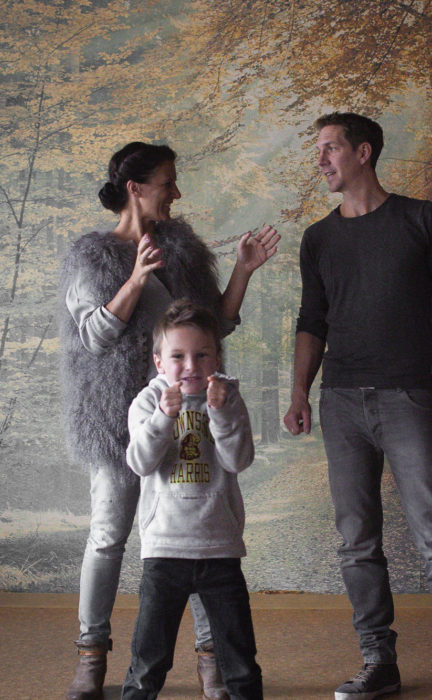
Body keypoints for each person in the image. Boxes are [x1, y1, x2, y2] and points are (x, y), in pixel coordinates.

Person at [59, 141, 278, 700]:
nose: (176, 192)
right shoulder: (92, 258)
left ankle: (210, 659)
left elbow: (212, 328)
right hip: (117, 421)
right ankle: (91, 655)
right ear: (135, 188)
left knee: (197, 536)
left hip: (190, 421)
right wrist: (135, 278)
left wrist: (243, 270)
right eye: (167, 182)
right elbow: (94, 337)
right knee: (108, 536)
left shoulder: (182, 252)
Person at [283, 112, 432, 700]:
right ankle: (379, 663)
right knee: (357, 542)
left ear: (363, 152)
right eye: (319, 149)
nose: (320, 159)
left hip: (407, 396)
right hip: (341, 401)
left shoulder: (420, 218)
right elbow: (311, 321)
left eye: (330, 148)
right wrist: (299, 390)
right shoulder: (318, 238)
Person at [121, 299, 261, 700]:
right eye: (178, 356)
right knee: (149, 659)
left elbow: (238, 460)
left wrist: (221, 413)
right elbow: (140, 463)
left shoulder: (227, 398)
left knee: (239, 659)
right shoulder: (147, 402)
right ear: (159, 362)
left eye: (202, 355)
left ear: (216, 358)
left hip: (219, 546)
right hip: (165, 548)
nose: (190, 366)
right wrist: (163, 418)